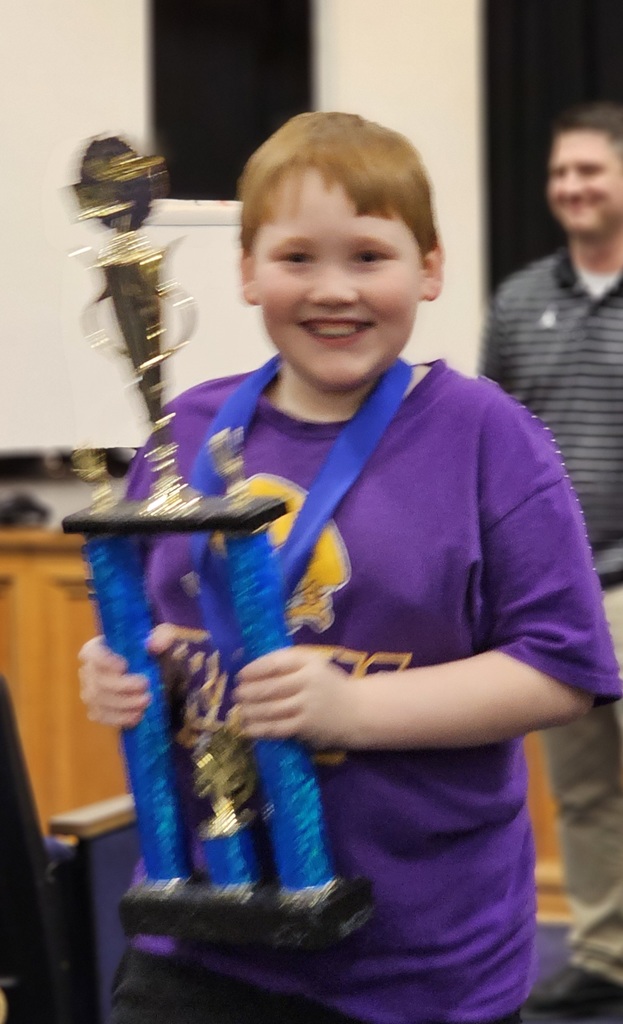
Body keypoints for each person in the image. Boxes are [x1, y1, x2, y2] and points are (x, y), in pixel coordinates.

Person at [79, 111, 621, 1024]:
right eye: (296, 258)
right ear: (248, 270)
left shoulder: (488, 438)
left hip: (418, 962)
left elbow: (561, 669)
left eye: (369, 255)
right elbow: (163, 618)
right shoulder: (184, 435)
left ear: (430, 266)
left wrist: (356, 710)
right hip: (203, 938)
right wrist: (127, 669)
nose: (334, 289)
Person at [481, 100, 623, 1019]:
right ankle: (607, 954)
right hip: (556, 589)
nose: (570, 187)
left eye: (589, 171)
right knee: (581, 793)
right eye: (559, 173)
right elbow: (486, 441)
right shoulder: (519, 299)